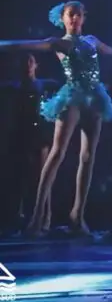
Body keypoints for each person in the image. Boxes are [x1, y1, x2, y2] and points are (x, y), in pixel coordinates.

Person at [0, 1, 112, 235]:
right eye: (70, 14)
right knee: (57, 153)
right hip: (72, 97)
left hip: (94, 98)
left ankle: (78, 215)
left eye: (78, 14)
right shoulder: (59, 43)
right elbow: (24, 44)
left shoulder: (92, 41)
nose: (75, 18)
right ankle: (38, 216)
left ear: (83, 18)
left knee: (87, 156)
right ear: (63, 18)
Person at [0, 54, 59, 230]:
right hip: (20, 135)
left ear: (36, 65)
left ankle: (45, 217)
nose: (27, 65)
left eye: (30, 62)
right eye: (24, 62)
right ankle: (17, 216)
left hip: (39, 135)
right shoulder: (13, 87)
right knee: (19, 176)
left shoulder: (45, 84)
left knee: (43, 176)